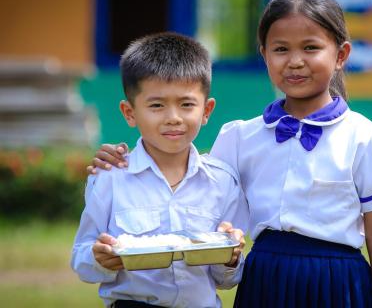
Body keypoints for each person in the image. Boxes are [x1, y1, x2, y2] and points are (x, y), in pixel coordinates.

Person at [89, 0, 372, 308]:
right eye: (281, 49)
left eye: (311, 48)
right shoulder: (240, 137)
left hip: (336, 284)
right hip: (264, 282)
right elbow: (188, 178)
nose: (295, 62)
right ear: (264, 54)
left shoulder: (366, 139)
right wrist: (125, 158)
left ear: (340, 55)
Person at [72, 32, 249, 308]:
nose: (173, 118)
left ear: (206, 110)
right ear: (130, 113)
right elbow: (81, 259)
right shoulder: (110, 178)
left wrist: (232, 256)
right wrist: (98, 258)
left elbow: (226, 279)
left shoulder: (222, 181)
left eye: (187, 104)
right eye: (156, 105)